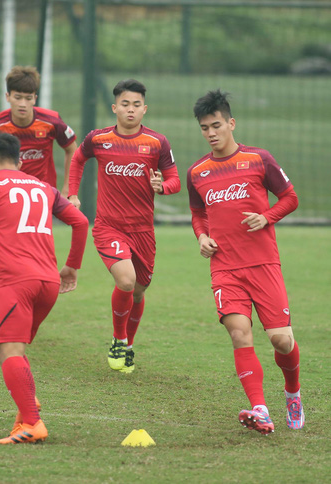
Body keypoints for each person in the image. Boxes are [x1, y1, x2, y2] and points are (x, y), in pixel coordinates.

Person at [0, 132, 88, 444]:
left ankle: (32, 423)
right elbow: (80, 222)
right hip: (49, 282)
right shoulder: (44, 187)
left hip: (16, 281)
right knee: (9, 346)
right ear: (20, 161)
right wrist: (71, 267)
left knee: (8, 347)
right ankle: (27, 407)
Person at [187, 89, 303, 434]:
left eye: (217, 125)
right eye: (205, 127)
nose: (211, 132)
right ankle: (260, 409)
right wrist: (202, 236)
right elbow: (197, 213)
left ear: (231, 123)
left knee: (281, 340)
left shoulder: (258, 159)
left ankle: (292, 393)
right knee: (239, 333)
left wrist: (267, 217)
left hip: (263, 264)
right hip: (224, 267)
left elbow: (290, 197)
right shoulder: (198, 172)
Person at [68, 79, 180, 373]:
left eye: (137, 105)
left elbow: (175, 180)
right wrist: (73, 193)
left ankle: (128, 344)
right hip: (109, 227)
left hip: (143, 231)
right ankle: (118, 339)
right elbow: (78, 160)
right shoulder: (99, 139)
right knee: (126, 281)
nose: (131, 110)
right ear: (115, 107)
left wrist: (163, 186)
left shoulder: (157, 142)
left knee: (139, 291)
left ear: (145, 109)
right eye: (125, 104)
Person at [0, 65, 77, 197]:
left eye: (28, 98)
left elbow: (72, 149)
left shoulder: (52, 122)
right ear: (8, 97)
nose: (23, 104)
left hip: (43, 196)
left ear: (35, 98)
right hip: (5, 198)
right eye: (17, 97)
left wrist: (68, 190)